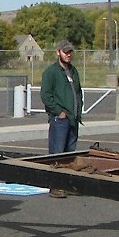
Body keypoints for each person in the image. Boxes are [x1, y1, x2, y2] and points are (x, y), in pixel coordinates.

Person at [40, 40, 83, 198]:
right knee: (57, 153)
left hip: (73, 119)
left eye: (70, 52)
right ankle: (55, 185)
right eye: (65, 52)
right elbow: (46, 95)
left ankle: (67, 184)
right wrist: (59, 112)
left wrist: (78, 111)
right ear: (58, 52)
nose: (68, 54)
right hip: (60, 120)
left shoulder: (73, 71)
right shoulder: (51, 72)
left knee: (69, 153)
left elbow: (78, 92)